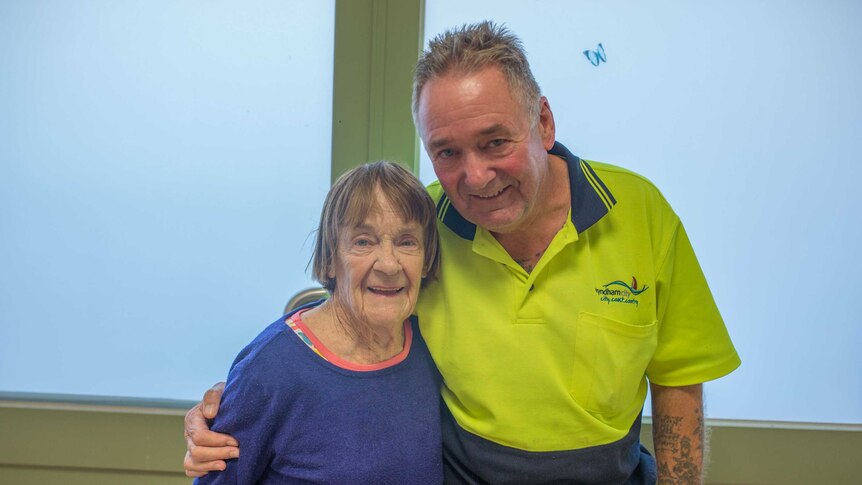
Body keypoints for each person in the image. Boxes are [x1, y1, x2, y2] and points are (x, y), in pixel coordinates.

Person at [185, 22, 740, 484]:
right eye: (447, 152)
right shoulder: (418, 225)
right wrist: (233, 404)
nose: (475, 176)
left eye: (495, 142)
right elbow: (338, 315)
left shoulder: (640, 212)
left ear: (542, 123)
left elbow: (679, 378)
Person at [192, 161, 443, 484]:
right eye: (363, 242)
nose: (389, 264)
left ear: (426, 259)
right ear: (329, 260)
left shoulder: (431, 345)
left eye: (407, 242)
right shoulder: (271, 368)